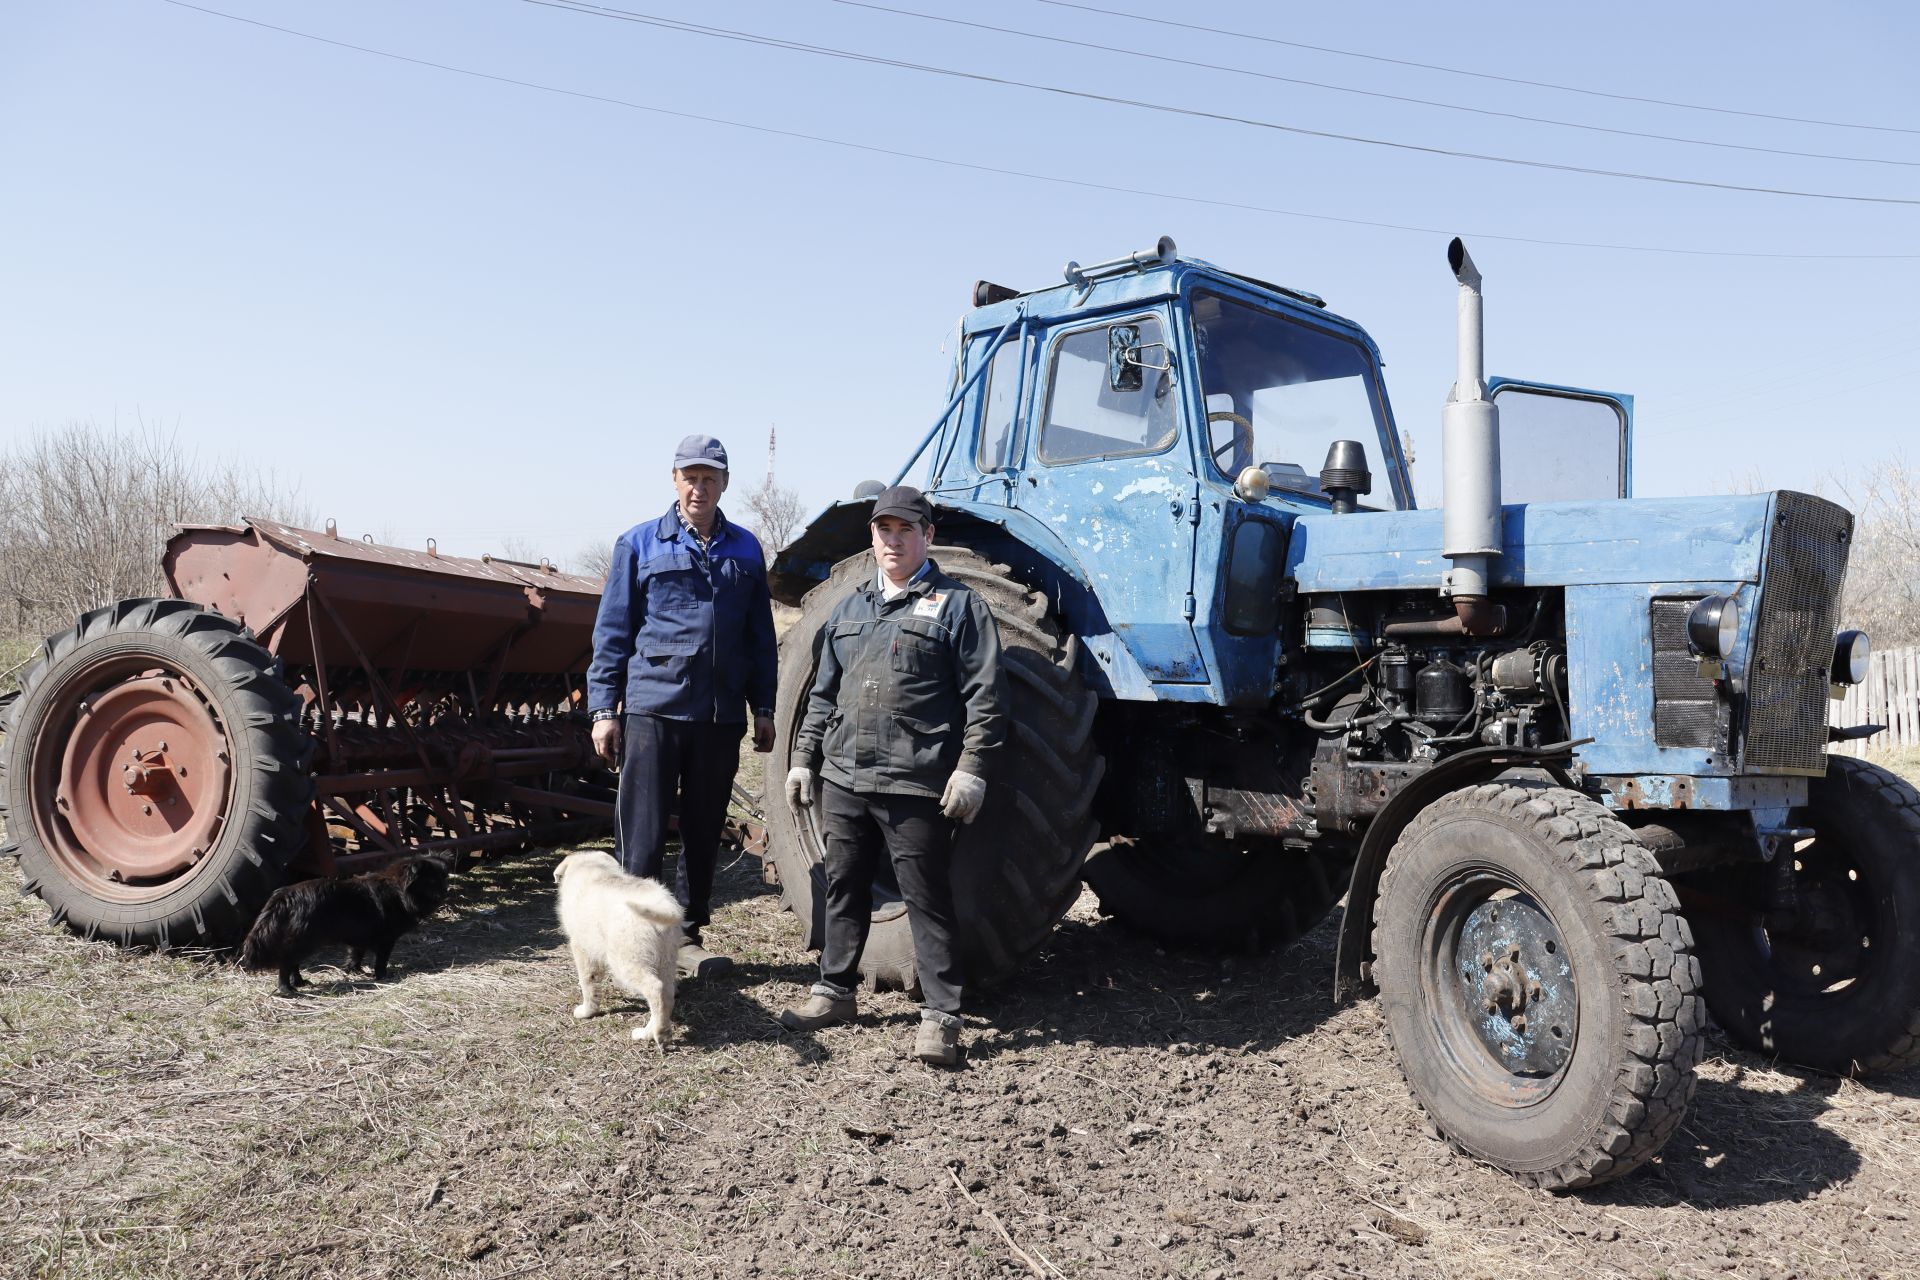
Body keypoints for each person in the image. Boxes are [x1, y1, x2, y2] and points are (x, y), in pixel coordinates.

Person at [776, 485, 1007, 1066]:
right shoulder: (848, 609)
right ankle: (834, 990)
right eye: (885, 530)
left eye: (906, 530)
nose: (893, 540)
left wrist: (972, 769)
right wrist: (804, 758)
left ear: (927, 536)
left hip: (915, 780)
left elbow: (986, 699)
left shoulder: (958, 607)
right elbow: (822, 696)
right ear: (872, 537)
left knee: (925, 897)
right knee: (844, 884)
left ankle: (939, 1017)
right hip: (846, 775)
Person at [586, 434, 777, 978]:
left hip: (718, 717)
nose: (700, 486)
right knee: (641, 834)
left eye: (710, 477)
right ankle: (635, 938)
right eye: (690, 476)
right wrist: (604, 710)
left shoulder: (745, 548)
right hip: (653, 709)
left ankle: (687, 934)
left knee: (703, 828)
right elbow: (613, 633)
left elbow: (759, 636)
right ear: (674, 480)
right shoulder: (639, 544)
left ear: (724, 484)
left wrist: (762, 705)